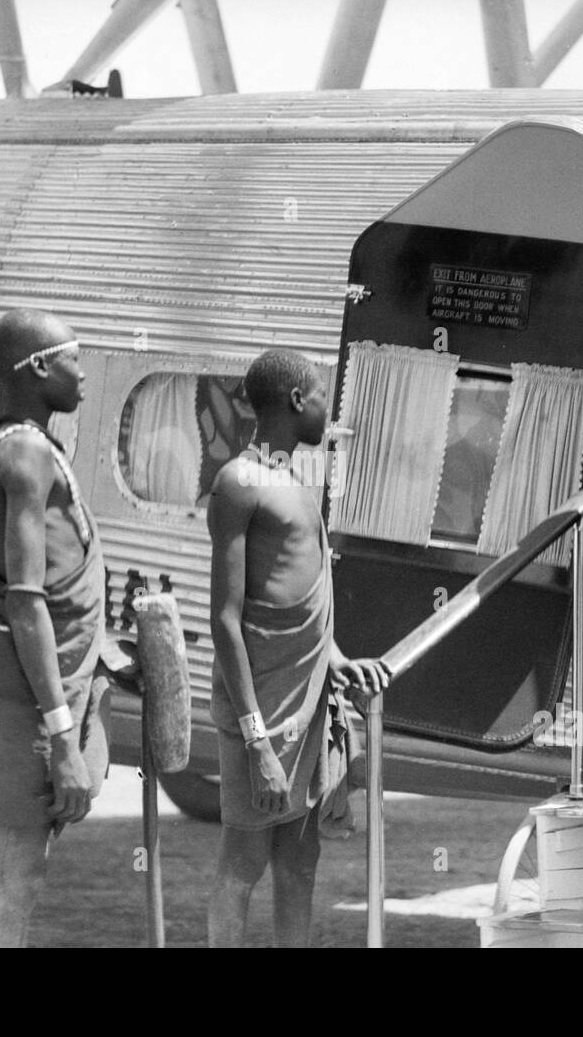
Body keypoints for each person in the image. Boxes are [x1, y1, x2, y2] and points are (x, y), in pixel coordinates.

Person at [207, 348, 389, 947]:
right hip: (263, 708)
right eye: (321, 396)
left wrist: (336, 660)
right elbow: (228, 621)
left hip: (307, 706)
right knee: (242, 866)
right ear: (295, 401)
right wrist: (258, 741)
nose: (327, 409)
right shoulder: (240, 482)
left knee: (299, 861)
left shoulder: (296, 482)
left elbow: (302, 597)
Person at [0, 309, 109, 948]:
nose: (83, 371)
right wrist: (61, 739)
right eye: (73, 357)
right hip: (33, 703)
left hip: (35, 689)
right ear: (38, 367)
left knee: (18, 866)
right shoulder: (23, 452)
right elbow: (26, 602)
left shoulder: (17, 443)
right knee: (16, 873)